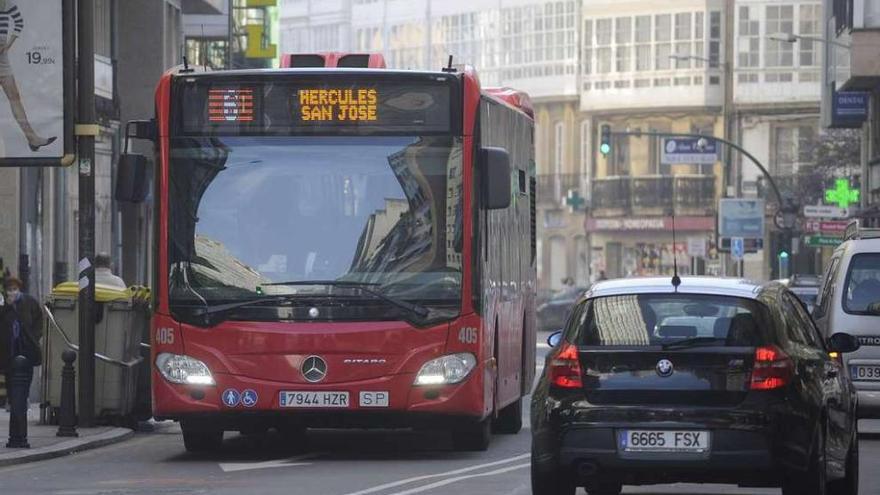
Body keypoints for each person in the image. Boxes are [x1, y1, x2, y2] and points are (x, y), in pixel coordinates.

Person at [0, 1, 56, 152]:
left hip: (1, 57)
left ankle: (32, 137)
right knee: (14, 98)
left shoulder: (6, 4)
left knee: (14, 97)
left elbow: (19, 22)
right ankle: (32, 138)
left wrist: (8, 45)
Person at [0, 276, 43, 411]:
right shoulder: (4, 305)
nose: (12, 292)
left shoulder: (29, 302)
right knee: (9, 372)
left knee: (26, 371)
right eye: (9, 290)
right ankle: (12, 400)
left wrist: (35, 337)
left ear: (19, 289)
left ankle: (24, 398)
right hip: (9, 345)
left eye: (15, 289)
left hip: (26, 343)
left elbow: (38, 320)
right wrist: (7, 305)